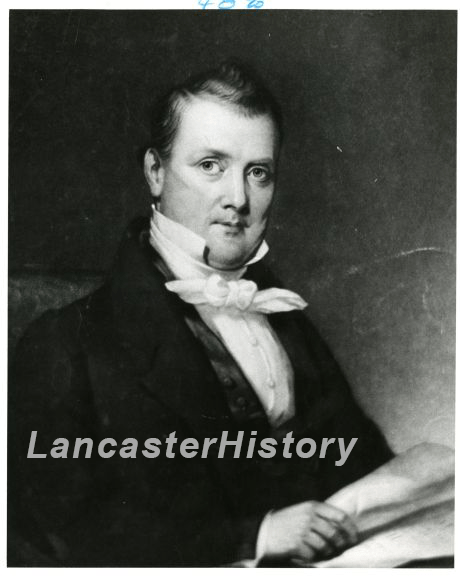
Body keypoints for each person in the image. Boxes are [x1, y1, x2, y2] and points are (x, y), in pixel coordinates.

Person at [8, 61, 392, 567]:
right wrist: (255, 537)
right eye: (211, 165)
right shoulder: (68, 344)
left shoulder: (286, 322)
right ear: (155, 172)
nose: (238, 199)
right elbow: (64, 534)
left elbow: (361, 464)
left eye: (258, 173)